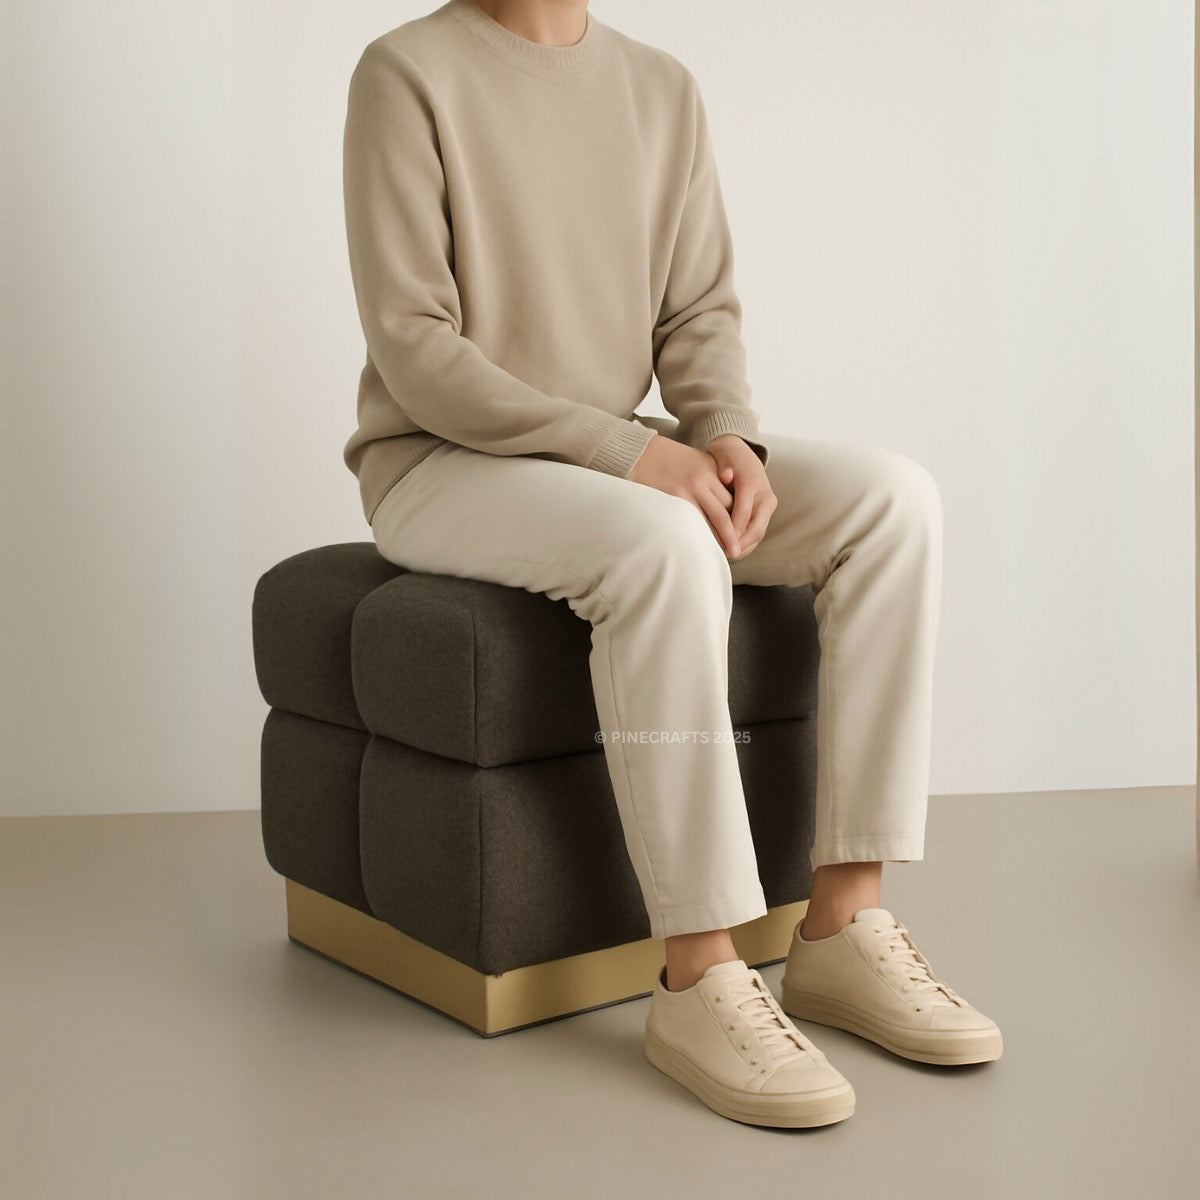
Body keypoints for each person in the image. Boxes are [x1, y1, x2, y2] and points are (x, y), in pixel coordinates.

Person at [341, 0, 1002, 1129]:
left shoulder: (662, 87)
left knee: (894, 501)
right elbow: (418, 350)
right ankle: (697, 972)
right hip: (440, 463)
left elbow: (698, 313)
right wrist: (634, 453)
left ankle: (842, 925)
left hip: (615, 451)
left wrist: (728, 435)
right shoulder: (405, 73)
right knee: (662, 543)